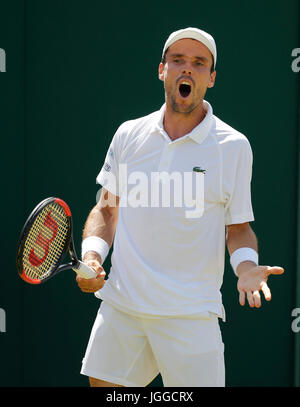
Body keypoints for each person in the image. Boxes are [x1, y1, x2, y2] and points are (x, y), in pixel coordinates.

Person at [76, 27, 284, 387]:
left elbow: (237, 228)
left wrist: (247, 267)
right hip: (123, 308)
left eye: (199, 63)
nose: (187, 69)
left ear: (211, 78)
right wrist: (92, 256)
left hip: (190, 315)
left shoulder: (233, 146)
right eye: (178, 61)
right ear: (163, 70)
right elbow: (107, 209)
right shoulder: (129, 135)